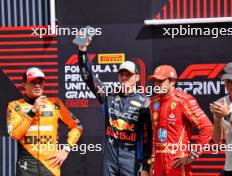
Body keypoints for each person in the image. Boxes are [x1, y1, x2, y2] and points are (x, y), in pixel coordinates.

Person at [77, 41, 152, 176]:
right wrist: (82, 51)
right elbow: (88, 77)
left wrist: (146, 166)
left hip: (131, 159)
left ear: (137, 77)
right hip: (109, 159)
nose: (124, 78)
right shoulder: (108, 94)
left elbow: (148, 138)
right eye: (121, 74)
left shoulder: (145, 103)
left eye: (128, 75)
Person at [6, 67, 83, 176]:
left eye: (40, 82)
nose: (37, 85)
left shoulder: (54, 104)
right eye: (33, 82)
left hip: (50, 165)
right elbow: (14, 134)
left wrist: (66, 149)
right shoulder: (15, 106)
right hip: (26, 166)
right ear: (24, 84)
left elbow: (77, 126)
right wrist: (32, 111)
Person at [148, 65, 213, 176]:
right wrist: (153, 160)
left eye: (161, 81)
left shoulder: (184, 100)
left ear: (172, 81)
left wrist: (192, 156)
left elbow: (207, 127)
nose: (157, 85)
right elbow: (155, 133)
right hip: (159, 163)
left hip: (177, 163)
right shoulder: (154, 102)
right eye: (155, 81)